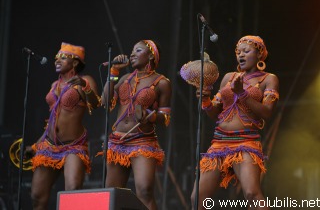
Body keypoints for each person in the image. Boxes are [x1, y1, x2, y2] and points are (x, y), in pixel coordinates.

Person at [190, 35, 279, 210]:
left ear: (260, 54)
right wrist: (206, 100)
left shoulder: (269, 79)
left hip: (246, 142)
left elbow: (267, 112)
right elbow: (216, 114)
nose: (241, 55)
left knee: (252, 194)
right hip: (219, 143)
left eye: (246, 51)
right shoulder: (229, 78)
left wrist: (242, 93)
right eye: (238, 52)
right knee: (197, 197)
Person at [99, 39, 172, 210]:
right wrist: (114, 71)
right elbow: (105, 101)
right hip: (118, 142)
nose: (132, 54)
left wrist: (150, 117)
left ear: (151, 56)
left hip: (142, 141)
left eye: (138, 51)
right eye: (132, 51)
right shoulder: (124, 78)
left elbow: (165, 117)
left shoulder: (162, 82)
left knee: (145, 191)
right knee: (112, 193)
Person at [29, 42, 100, 210]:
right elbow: (53, 120)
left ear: (75, 62)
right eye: (56, 58)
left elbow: (95, 104)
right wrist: (36, 145)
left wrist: (85, 88)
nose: (56, 61)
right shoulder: (54, 85)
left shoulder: (85, 80)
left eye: (62, 57)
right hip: (49, 145)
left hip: (73, 146)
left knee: (72, 192)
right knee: (37, 197)